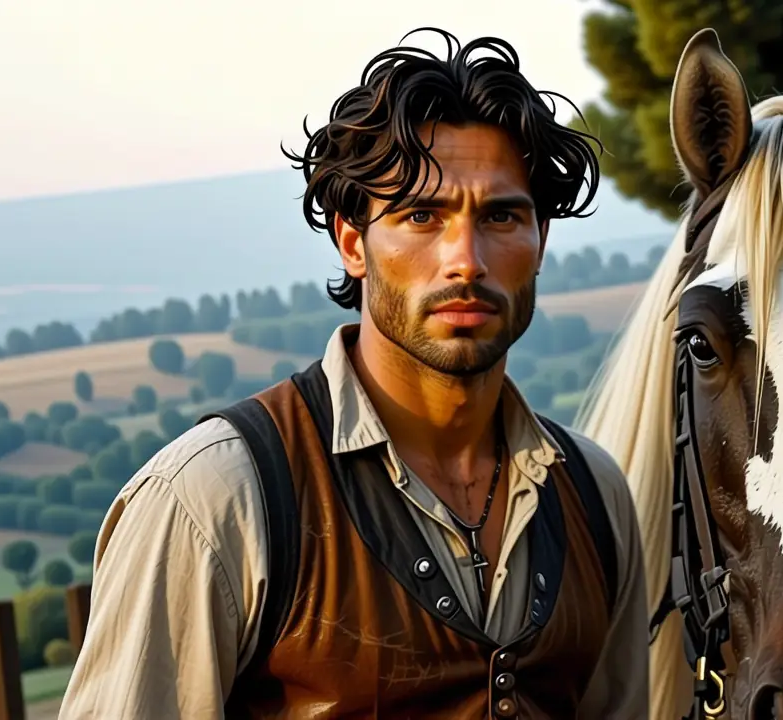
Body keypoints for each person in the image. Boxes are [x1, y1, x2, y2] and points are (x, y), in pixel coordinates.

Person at [58, 28, 649, 719]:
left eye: (501, 215)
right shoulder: (212, 499)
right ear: (351, 242)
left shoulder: (593, 494)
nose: (465, 259)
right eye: (421, 215)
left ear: (541, 241)